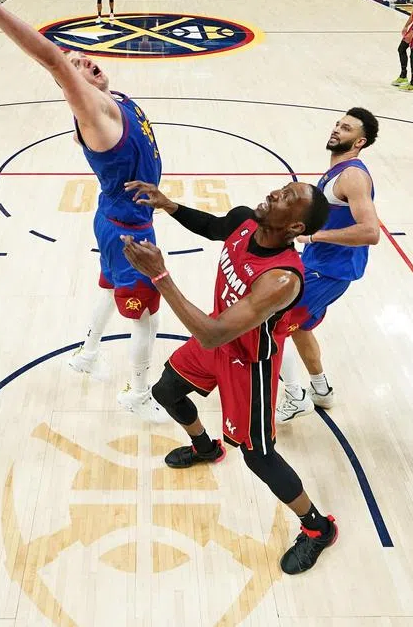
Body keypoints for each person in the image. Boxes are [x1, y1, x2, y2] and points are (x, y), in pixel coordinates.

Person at [0, 0, 165, 422]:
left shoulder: (115, 98)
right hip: (129, 230)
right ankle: (139, 394)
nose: (85, 63)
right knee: (146, 319)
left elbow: (66, 61)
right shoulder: (95, 116)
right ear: (70, 85)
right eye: (76, 66)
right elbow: (51, 57)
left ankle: (88, 354)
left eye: (86, 59)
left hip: (116, 217)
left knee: (106, 288)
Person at [120, 179, 339, 575]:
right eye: (282, 188)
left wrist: (160, 276)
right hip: (217, 340)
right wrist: (169, 204)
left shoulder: (283, 279)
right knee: (166, 390)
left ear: (295, 229)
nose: (276, 193)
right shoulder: (245, 221)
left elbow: (212, 333)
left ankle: (317, 528)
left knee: (258, 456)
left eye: (288, 198)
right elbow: (213, 225)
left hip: (248, 362)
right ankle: (205, 448)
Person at [276, 108, 382, 421]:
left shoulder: (353, 176)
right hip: (318, 264)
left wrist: (315, 236)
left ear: (359, 141)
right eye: (338, 124)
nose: (336, 129)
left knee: (271, 323)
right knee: (300, 326)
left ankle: (295, 397)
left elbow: (370, 232)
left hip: (330, 271)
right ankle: (321, 392)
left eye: (346, 128)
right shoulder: (337, 169)